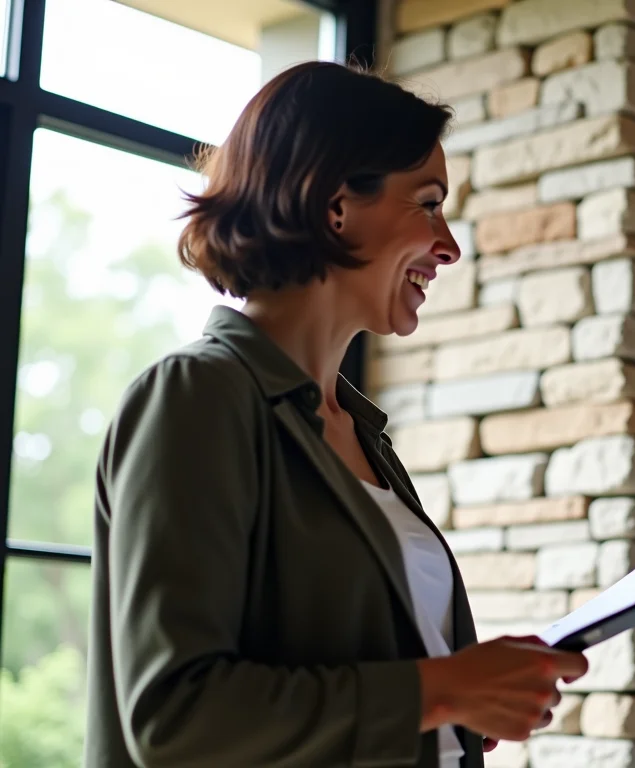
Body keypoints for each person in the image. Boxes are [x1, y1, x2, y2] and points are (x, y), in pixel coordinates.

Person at [84, 61, 588, 768]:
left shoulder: (360, 435)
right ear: (336, 206)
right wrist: (439, 691)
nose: (450, 247)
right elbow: (175, 717)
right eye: (429, 203)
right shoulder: (198, 398)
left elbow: (369, 693)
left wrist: (470, 700)